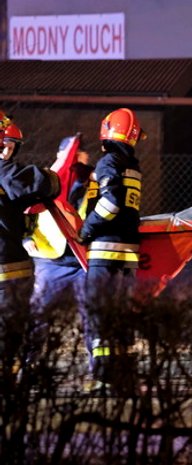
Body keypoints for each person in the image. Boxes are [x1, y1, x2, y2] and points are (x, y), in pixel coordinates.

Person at [77, 108, 145, 391]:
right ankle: (125, 376)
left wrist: (87, 229)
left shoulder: (107, 163)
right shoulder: (133, 165)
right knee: (121, 316)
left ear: (105, 133)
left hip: (105, 251)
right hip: (128, 253)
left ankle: (103, 376)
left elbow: (110, 204)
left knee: (99, 315)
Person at [24, 136, 93, 366]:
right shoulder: (47, 180)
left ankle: (100, 370)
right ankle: (29, 364)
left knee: (92, 313)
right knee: (39, 314)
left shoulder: (92, 184)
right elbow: (26, 211)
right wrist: (25, 238)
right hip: (50, 258)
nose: (80, 164)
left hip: (81, 258)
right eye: (76, 159)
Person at [0, 122, 60, 363]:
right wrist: (53, 176)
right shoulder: (5, 173)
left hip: (10, 266)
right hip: (8, 269)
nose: (6, 153)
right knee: (9, 331)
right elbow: (43, 184)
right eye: (4, 146)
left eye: (11, 148)